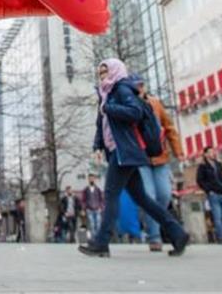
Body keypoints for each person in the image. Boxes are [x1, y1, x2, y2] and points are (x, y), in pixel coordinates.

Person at [79, 59, 189, 259]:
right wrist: (97, 145)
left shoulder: (121, 88)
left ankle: (101, 242)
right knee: (142, 198)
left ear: (115, 70)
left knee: (111, 194)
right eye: (100, 72)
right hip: (117, 151)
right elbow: (101, 124)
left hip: (125, 151)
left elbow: (135, 112)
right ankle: (177, 233)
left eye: (106, 71)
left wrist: (109, 109)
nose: (102, 75)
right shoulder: (105, 93)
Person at [135, 81, 182, 252]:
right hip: (141, 160)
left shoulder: (155, 103)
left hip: (160, 157)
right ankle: (154, 236)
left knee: (164, 194)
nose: (139, 88)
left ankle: (162, 228)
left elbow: (169, 127)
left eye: (141, 85)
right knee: (149, 196)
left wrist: (178, 151)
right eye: (135, 86)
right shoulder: (129, 104)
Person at [195, 146, 222, 243]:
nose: (212, 153)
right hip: (213, 194)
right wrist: (208, 190)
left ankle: (220, 232)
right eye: (210, 152)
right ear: (205, 154)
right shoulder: (202, 166)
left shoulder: (219, 164)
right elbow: (199, 181)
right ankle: (221, 237)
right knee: (217, 216)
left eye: (213, 152)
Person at [82, 174, 104, 246]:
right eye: (90, 178)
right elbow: (83, 200)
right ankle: (93, 239)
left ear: (94, 179)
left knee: (98, 224)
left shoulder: (98, 189)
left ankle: (98, 239)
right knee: (92, 225)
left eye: (92, 178)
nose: (91, 180)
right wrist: (83, 209)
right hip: (89, 209)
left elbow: (101, 199)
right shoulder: (86, 190)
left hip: (97, 209)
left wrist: (101, 207)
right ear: (88, 179)